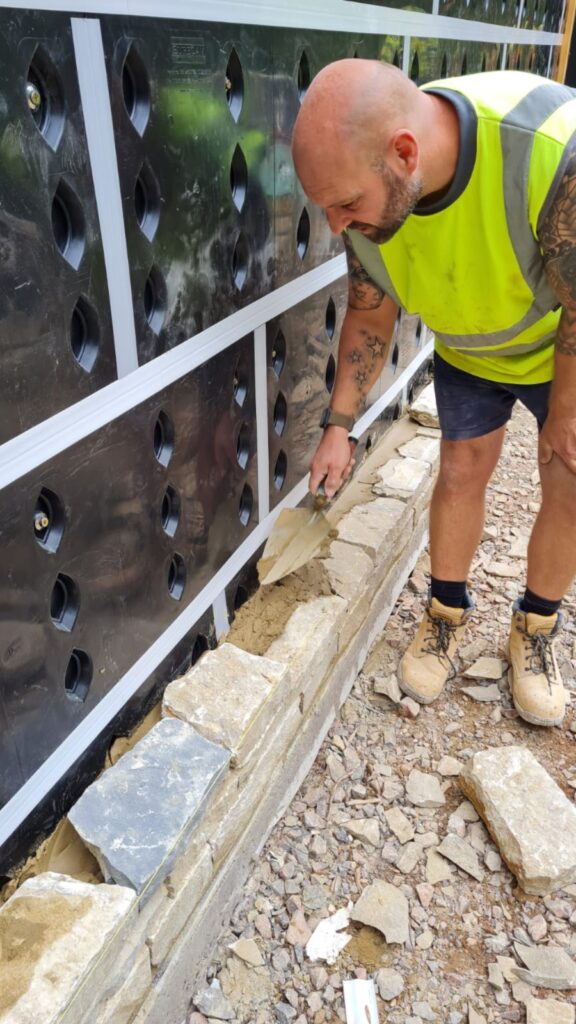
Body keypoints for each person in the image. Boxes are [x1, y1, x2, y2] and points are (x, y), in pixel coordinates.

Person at [292, 58, 576, 728]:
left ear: (404, 154)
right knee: (459, 472)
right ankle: (445, 612)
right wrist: (340, 425)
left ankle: (534, 628)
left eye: (345, 205)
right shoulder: (367, 193)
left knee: (567, 477)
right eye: (325, 206)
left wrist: (564, 414)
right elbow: (368, 313)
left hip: (558, 347)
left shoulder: (551, 153)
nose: (334, 226)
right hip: (471, 344)